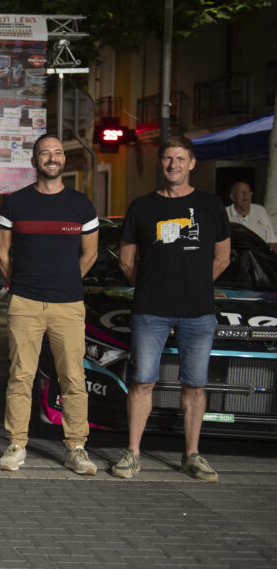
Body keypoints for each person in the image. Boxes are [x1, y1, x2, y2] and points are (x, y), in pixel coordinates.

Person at [113, 135, 230, 482]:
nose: (173, 165)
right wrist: (152, 286)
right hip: (151, 311)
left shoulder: (211, 206)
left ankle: (192, 455)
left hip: (198, 311)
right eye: (167, 158)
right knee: (142, 381)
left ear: (191, 163)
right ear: (160, 163)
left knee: (195, 386)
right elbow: (126, 260)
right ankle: (133, 453)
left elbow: (223, 257)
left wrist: (193, 285)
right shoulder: (142, 206)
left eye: (180, 159)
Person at [0, 133, 99, 475]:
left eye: (57, 153)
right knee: (20, 376)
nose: (52, 158)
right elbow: (0, 250)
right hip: (25, 302)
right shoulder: (16, 203)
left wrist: (66, 281)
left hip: (68, 304)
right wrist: (20, 282)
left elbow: (90, 253)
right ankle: (16, 444)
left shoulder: (81, 205)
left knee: (73, 377)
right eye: (44, 153)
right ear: (34, 160)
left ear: (63, 159)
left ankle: (76, 447)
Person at [225, 181, 277, 252]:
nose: (245, 195)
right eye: (241, 192)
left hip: (260, 256)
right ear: (232, 197)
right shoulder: (225, 213)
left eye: (247, 192)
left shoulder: (260, 211)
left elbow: (272, 241)